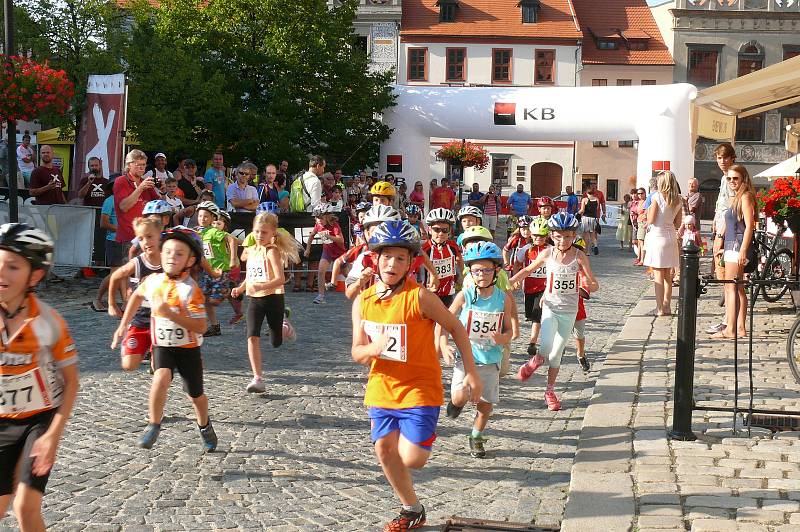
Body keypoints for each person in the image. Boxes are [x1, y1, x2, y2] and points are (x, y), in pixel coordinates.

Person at [351, 219, 483, 531]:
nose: (392, 263)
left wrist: (472, 373)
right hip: (382, 386)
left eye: (400, 257)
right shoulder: (363, 301)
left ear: (412, 262)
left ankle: (421, 442)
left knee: (413, 459)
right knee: (383, 449)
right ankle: (412, 509)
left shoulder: (419, 297)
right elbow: (357, 350)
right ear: (375, 259)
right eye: (386, 256)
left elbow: (455, 327)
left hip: (419, 387)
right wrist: (373, 350)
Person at [0, 224, 79, 531]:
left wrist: (52, 437)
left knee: (25, 508)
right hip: (3, 421)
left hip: (39, 420)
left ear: (34, 275)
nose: (1, 273)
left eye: (13, 267)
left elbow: (71, 381)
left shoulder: (48, 322)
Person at [111, 227, 217, 452]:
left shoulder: (190, 290)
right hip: (162, 346)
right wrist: (123, 325)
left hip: (188, 349)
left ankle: (204, 424)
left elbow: (201, 326)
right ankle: (154, 424)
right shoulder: (154, 280)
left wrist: (171, 314)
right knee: (160, 377)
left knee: (195, 395)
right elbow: (137, 296)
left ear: (190, 261)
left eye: (179, 253)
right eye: (167, 251)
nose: (171, 257)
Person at [510, 212, 599, 410]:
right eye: (558, 236)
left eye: (567, 236)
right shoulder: (547, 253)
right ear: (552, 235)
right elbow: (527, 270)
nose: (562, 240)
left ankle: (550, 392)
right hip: (550, 307)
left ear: (574, 236)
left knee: (557, 354)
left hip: (569, 311)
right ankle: (536, 360)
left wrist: (590, 285)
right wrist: (510, 281)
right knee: (545, 347)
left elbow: (593, 282)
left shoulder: (579, 255)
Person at [439, 242, 514, 459]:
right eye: (476, 271)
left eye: (487, 270)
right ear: (470, 272)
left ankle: (476, 436)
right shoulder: (465, 296)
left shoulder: (503, 299)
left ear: (496, 271)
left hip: (490, 360)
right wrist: (444, 344)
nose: (481, 275)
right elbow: (444, 322)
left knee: (485, 407)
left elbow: (509, 330)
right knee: (460, 396)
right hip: (466, 357)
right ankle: (457, 403)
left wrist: (503, 337)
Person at [232, 212, 300, 393]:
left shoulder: (272, 252)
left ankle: (284, 324)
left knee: (275, 341)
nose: (259, 236)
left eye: (264, 232)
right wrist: (240, 288)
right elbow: (251, 276)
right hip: (255, 300)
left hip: (274, 298)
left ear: (273, 233)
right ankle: (257, 378)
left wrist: (263, 285)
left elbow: (280, 279)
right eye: (256, 231)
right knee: (252, 335)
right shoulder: (252, 251)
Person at [107, 217, 164, 371]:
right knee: (128, 365)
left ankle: (156, 352)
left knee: (158, 367)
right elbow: (115, 276)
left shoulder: (169, 260)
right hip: (141, 317)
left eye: (150, 236)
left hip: (163, 320)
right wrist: (111, 303)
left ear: (160, 234)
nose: (146, 242)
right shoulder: (138, 263)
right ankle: (135, 343)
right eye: (141, 238)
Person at [712, 165, 756, 339]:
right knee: (738, 289)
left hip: (736, 245)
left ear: (743, 178)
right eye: (729, 178)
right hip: (732, 244)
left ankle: (730, 329)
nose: (731, 181)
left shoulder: (745, 197)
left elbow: (749, 226)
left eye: (735, 178)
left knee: (730, 288)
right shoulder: (737, 196)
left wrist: (743, 249)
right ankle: (740, 328)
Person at [643, 171, 683, 317]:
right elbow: (678, 223)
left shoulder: (657, 197)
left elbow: (651, 219)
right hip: (671, 236)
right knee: (668, 275)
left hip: (658, 236)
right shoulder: (678, 199)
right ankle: (667, 305)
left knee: (658, 275)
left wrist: (646, 215)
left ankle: (659, 308)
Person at [706, 143, 737, 335]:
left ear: (732, 158)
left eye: (725, 157)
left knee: (727, 281)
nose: (722, 161)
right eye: (719, 158)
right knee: (726, 281)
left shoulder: (732, 177)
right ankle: (729, 322)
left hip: (727, 234)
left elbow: (732, 209)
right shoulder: (725, 178)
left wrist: (719, 235)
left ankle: (729, 323)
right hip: (722, 230)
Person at [194, 201, 237, 336]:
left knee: (214, 301)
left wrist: (232, 259)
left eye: (206, 216)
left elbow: (232, 240)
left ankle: (229, 288)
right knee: (205, 299)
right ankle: (214, 326)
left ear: (213, 218)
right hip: (206, 270)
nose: (202, 219)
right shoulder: (196, 232)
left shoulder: (213, 231)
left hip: (220, 270)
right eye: (200, 216)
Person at [114, 150, 161, 255]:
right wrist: (140, 188)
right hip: (128, 238)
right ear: (129, 165)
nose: (142, 168)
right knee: (128, 270)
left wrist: (163, 191)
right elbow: (124, 206)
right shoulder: (121, 181)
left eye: (143, 165)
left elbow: (159, 206)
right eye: (138, 165)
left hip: (145, 238)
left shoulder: (145, 182)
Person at [515, 217, 549, 357]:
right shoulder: (526, 249)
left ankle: (532, 343)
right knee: (530, 315)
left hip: (545, 288)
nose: (538, 238)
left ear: (547, 236)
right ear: (531, 234)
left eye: (542, 236)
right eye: (535, 235)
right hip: (529, 288)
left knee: (537, 315)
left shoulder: (550, 250)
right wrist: (516, 278)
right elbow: (518, 262)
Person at [306, 203, 346, 304]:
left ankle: (360, 290)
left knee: (347, 274)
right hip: (327, 251)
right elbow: (311, 236)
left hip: (339, 253)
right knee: (320, 271)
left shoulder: (334, 225)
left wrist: (329, 237)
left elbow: (341, 240)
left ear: (327, 216)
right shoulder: (318, 225)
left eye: (321, 217)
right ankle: (321, 296)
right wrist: (307, 249)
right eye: (316, 218)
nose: (319, 220)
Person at [422, 208, 463, 307]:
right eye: (436, 229)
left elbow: (459, 260)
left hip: (447, 292)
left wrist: (462, 276)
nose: (441, 233)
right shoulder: (425, 249)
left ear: (449, 231)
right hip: (429, 291)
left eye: (445, 230)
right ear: (430, 230)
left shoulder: (453, 246)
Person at [93, 180, 122, 312]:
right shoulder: (110, 201)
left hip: (124, 240)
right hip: (113, 240)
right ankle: (98, 299)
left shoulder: (126, 200)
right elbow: (103, 223)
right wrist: (120, 229)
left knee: (124, 273)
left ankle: (125, 301)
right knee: (115, 273)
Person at [578, 187, 603, 255]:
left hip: (586, 218)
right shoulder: (597, 199)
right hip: (594, 218)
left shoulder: (585, 199)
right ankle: (595, 246)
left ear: (586, 193)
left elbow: (582, 210)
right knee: (593, 235)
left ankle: (587, 251)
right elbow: (597, 208)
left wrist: (577, 213)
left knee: (585, 235)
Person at [633, 188, 648, 265]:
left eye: (641, 193)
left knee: (642, 241)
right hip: (639, 222)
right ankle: (639, 257)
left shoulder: (646, 201)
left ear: (645, 193)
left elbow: (646, 212)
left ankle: (642, 259)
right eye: (638, 193)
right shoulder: (639, 202)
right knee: (639, 241)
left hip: (643, 222)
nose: (640, 195)